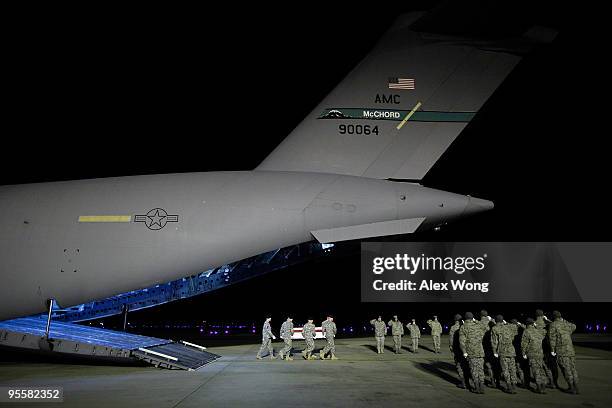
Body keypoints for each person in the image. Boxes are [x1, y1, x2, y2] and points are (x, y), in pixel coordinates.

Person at [549, 310, 579, 394]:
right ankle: (576, 387)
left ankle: (571, 387)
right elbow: (574, 326)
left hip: (561, 351)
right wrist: (564, 320)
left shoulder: (553, 325)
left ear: (553, 317)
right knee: (573, 369)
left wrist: (552, 350)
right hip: (570, 350)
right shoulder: (566, 324)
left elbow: (552, 339)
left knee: (566, 369)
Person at [459, 311, 488, 393]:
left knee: (474, 370)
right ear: (473, 318)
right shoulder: (478, 325)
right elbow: (485, 327)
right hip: (480, 351)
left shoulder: (463, 327)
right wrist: (476, 321)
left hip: (471, 352)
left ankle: (477, 387)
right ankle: (482, 387)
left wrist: (464, 351)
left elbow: (462, 341)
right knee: (480, 369)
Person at [491, 315, 518, 394]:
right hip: (511, 350)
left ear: (495, 321)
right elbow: (513, 336)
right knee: (512, 368)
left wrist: (494, 352)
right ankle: (514, 385)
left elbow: (494, 342)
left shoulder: (494, 328)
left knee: (505, 369)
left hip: (502, 351)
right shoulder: (509, 327)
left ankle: (509, 387)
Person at [521, 317, 548, 394]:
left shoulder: (526, 331)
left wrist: (523, 353)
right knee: (541, 369)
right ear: (533, 324)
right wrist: (536, 326)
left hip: (532, 353)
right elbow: (544, 333)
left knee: (535, 371)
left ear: (526, 324)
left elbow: (524, 344)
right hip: (540, 353)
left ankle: (539, 388)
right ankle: (543, 385)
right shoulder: (538, 331)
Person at [535, 309, 556, 388]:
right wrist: (546, 319)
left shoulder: (535, 323)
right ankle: (551, 382)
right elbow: (555, 324)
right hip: (546, 347)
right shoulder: (547, 323)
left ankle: (542, 383)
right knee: (547, 366)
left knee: (539, 366)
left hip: (538, 347)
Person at [448, 314, 467, 389]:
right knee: (466, 365)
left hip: (457, 349)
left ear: (455, 320)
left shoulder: (453, 327)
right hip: (466, 349)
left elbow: (451, 339)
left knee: (459, 365)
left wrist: (451, 347)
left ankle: (463, 382)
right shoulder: (465, 326)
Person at [479, 309, 497, 388]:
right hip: (493, 346)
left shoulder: (479, 323)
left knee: (485, 365)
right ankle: (494, 381)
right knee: (493, 365)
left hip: (483, 346)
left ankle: (481, 382)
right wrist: (491, 319)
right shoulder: (492, 322)